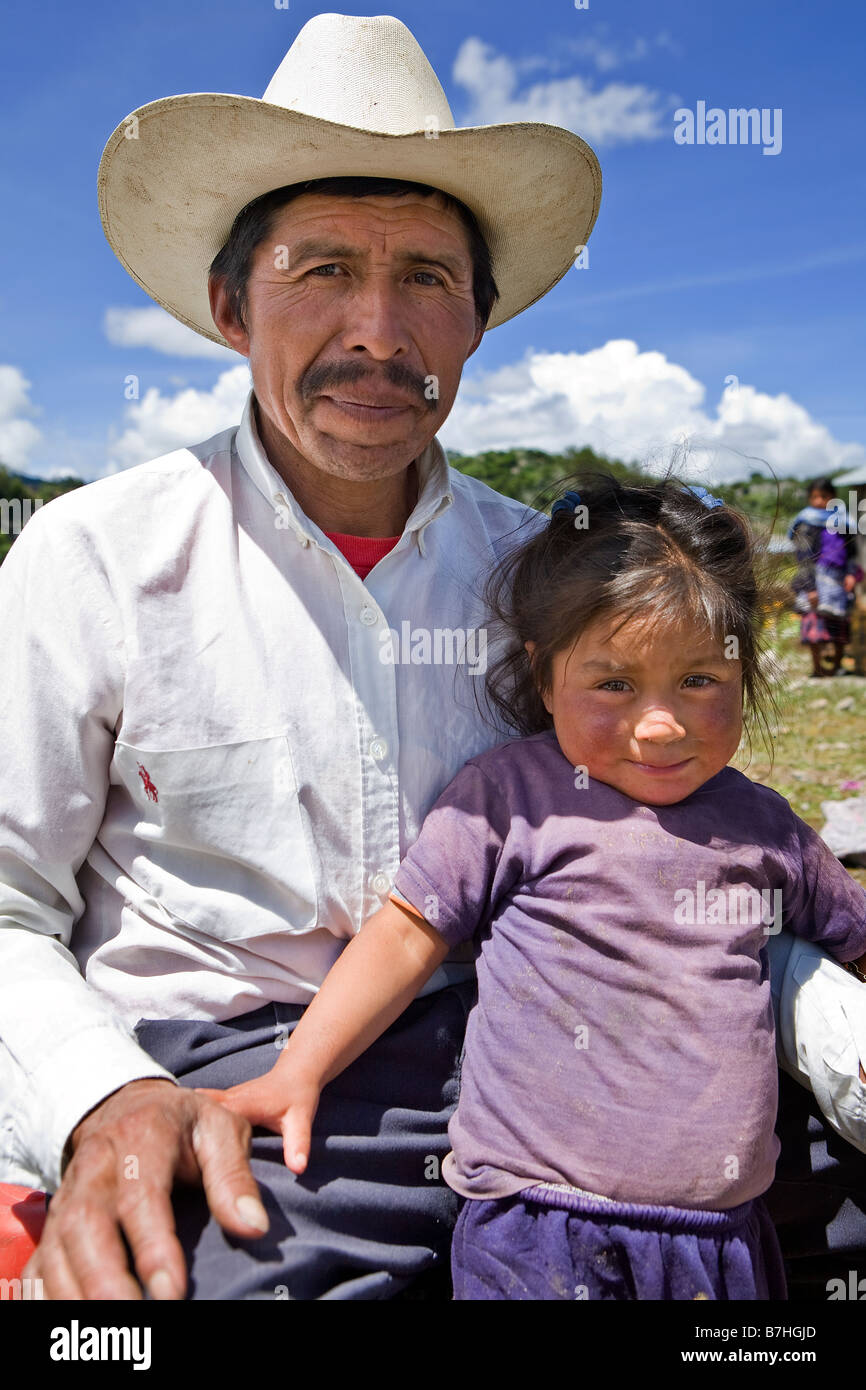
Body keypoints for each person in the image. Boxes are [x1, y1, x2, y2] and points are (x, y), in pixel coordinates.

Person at [1, 13, 863, 1303]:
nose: (378, 329)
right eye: (322, 268)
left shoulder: (562, 579)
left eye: (425, 278)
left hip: (574, 1044)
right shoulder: (93, 558)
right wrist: (102, 1097)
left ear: (476, 319)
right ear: (234, 307)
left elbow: (675, 849)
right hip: (251, 1080)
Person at [202, 476, 866, 1301]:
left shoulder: (769, 830)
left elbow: (853, 932)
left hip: (720, 1243)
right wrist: (297, 1069)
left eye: (699, 680)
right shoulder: (509, 797)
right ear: (544, 677)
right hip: (533, 1228)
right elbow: (408, 933)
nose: (661, 723)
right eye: (614, 684)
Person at [790, 478, 861, 678]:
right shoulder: (806, 524)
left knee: (838, 625)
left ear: (833, 498)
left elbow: (852, 552)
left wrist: (850, 574)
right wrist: (810, 587)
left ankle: (836, 667)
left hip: (838, 583)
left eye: (824, 496)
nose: (819, 501)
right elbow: (803, 558)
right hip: (814, 582)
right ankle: (817, 668)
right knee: (814, 624)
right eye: (814, 497)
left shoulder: (844, 522)